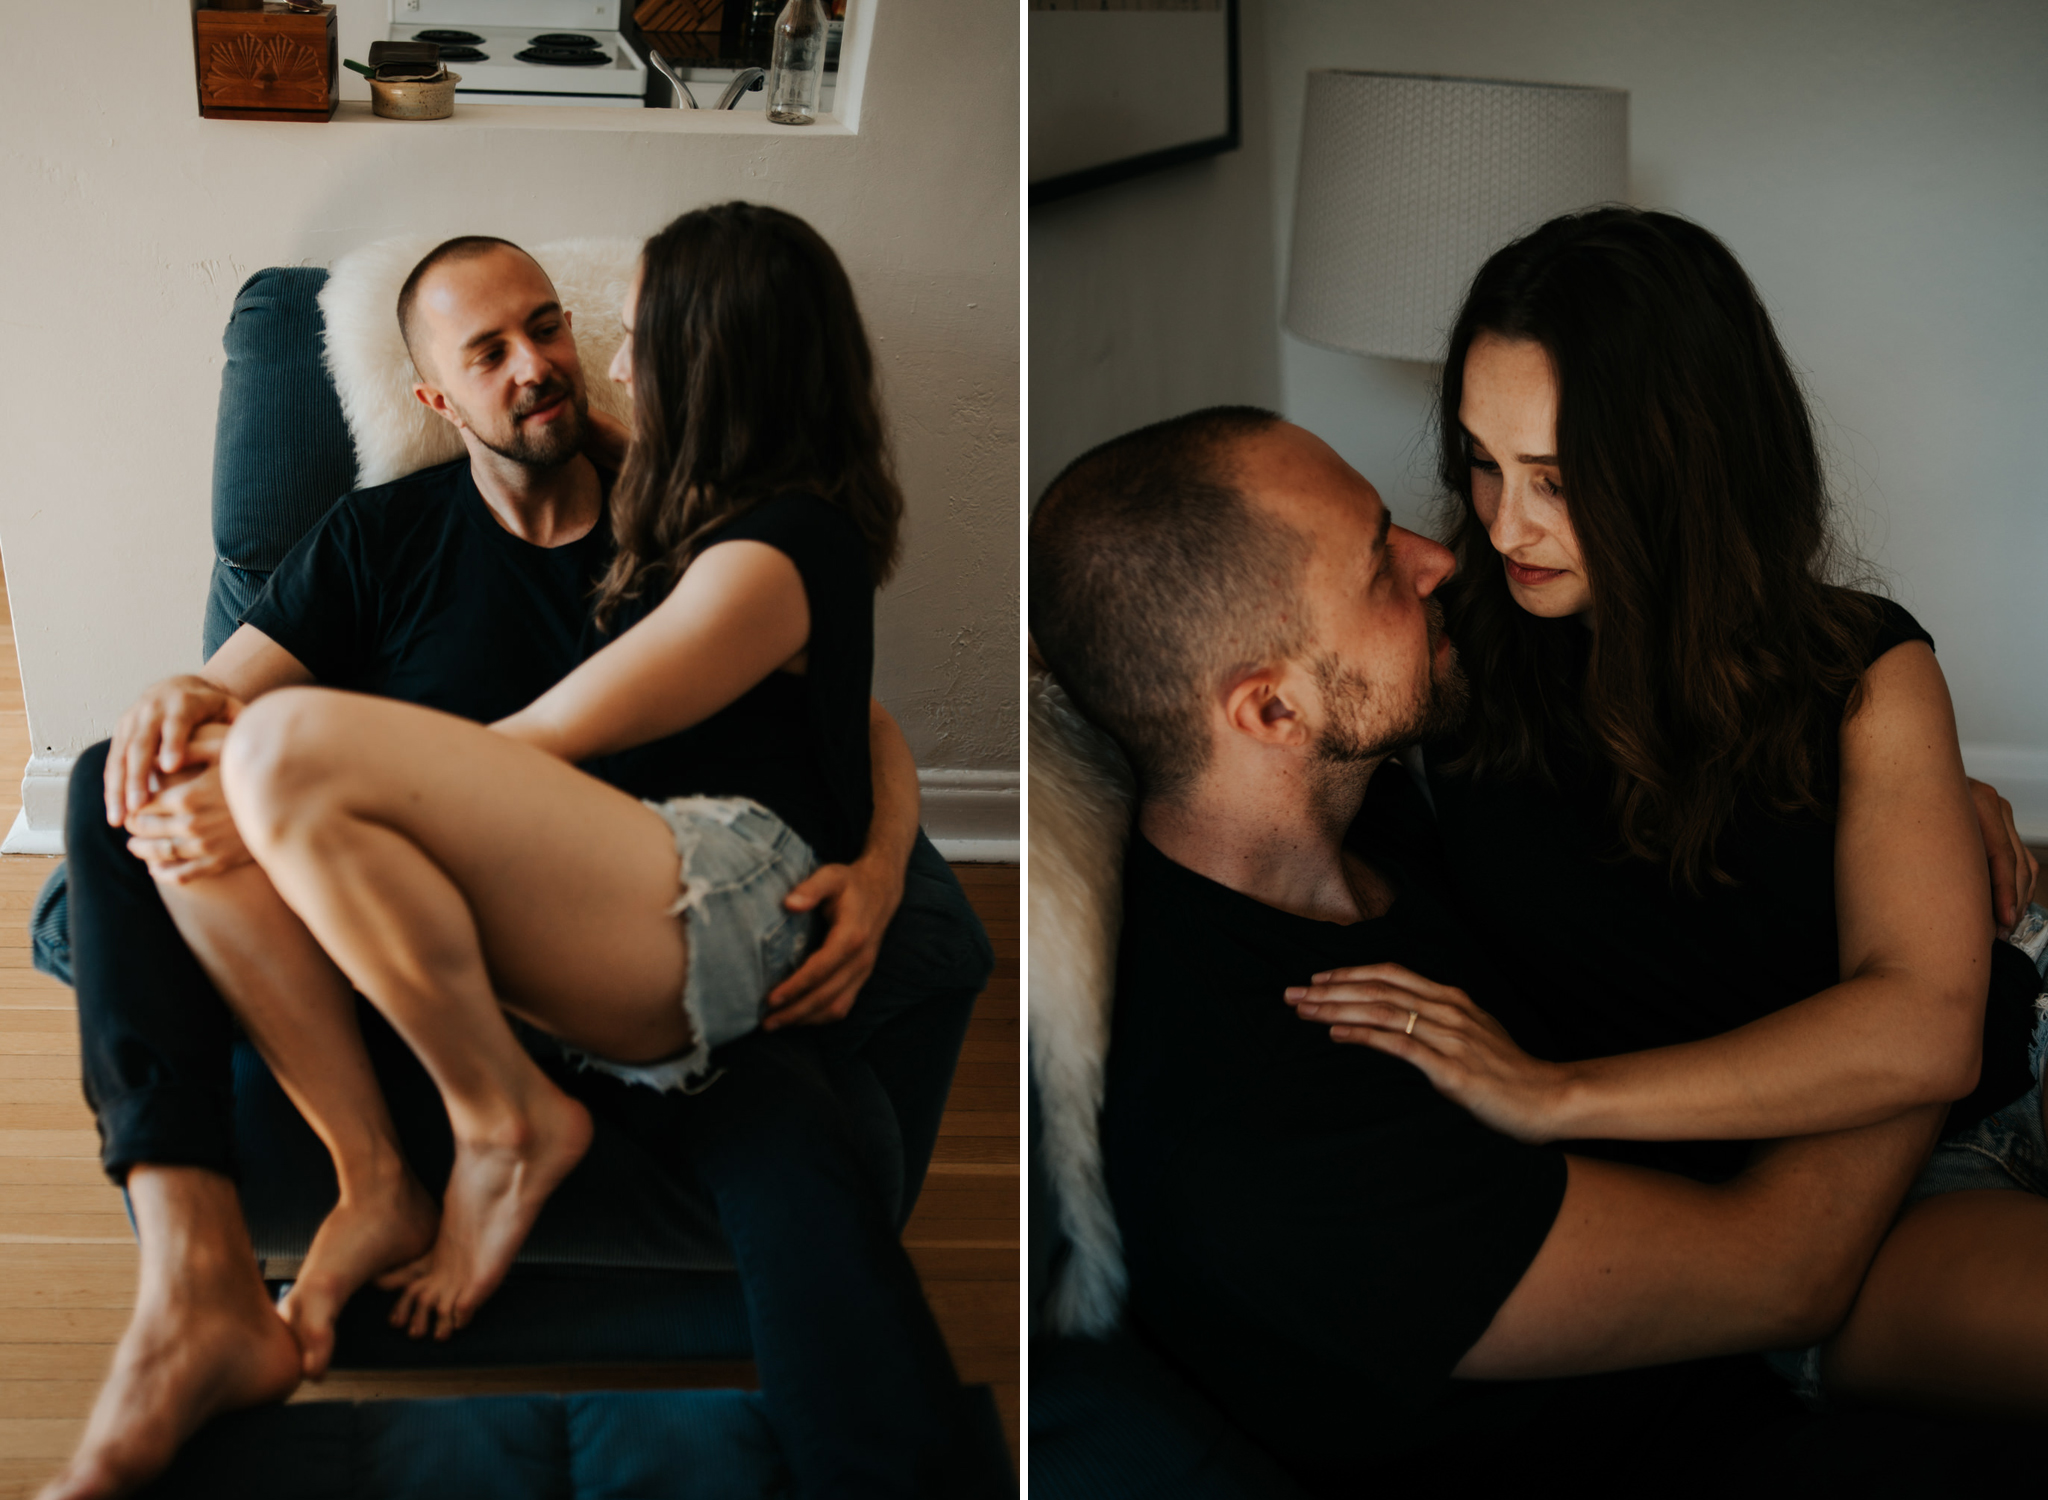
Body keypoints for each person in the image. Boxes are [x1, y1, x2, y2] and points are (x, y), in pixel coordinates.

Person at [42, 223, 989, 1500]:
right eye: (485, 351)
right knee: (124, 780)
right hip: (409, 962)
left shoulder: (679, 513)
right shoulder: (378, 542)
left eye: (547, 327)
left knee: (803, 1147)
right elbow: (213, 704)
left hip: (647, 943)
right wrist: (178, 706)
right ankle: (197, 1271)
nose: (534, 365)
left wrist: (881, 865)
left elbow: (852, 710)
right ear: (435, 396)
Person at [1027, 407, 1990, 1493]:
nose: (1441, 558)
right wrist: (1931, 964)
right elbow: (1783, 1271)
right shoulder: (1263, 1130)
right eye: (1377, 564)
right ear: (1269, 707)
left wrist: (1909, 803)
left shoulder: (1366, 817)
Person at [1288, 209, 2048, 1411]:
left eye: (1558, 478)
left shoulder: (1858, 664)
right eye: (1482, 461)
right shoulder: (1454, 660)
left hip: (2024, 1039)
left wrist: (1556, 1093)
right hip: (1830, 1190)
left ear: (1690, 462)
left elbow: (1930, 1025)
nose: (1501, 525)